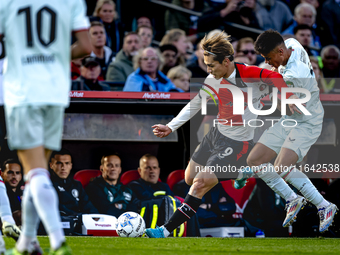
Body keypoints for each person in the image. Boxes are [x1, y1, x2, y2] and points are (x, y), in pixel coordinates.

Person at [145, 31, 300, 238]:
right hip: (215, 135)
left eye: (211, 65)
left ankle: (164, 230)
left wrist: (287, 100)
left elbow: (276, 77)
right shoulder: (213, 80)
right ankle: (241, 171)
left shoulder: (249, 75)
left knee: (200, 184)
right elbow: (195, 105)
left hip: (237, 142)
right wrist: (171, 127)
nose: (208, 69)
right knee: (189, 178)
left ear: (226, 61)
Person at [0, 0, 92, 254]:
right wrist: (54, 54)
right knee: (36, 174)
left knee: (36, 173)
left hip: (23, 93)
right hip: (55, 93)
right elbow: (86, 46)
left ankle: (57, 241)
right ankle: (27, 241)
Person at [235, 30, 338, 233]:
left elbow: (272, 89)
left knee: (282, 166)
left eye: (268, 58)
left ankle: (325, 206)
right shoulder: (290, 45)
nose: (268, 62)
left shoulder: (293, 74)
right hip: (290, 119)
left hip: (307, 122)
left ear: (280, 52)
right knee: (254, 160)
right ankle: (292, 198)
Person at [50, 149, 98, 217]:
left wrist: (95, 216)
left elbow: (88, 206)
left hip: (79, 222)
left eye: (67, 163)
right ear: (51, 165)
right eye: (59, 163)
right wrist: (79, 216)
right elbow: (59, 208)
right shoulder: (48, 185)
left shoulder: (77, 185)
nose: (63, 167)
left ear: (71, 166)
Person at [1, 159, 24, 225]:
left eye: (17, 173)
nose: (14, 176)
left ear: (21, 176)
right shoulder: (2, 193)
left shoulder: (24, 193)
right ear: (2, 174)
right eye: (10, 172)